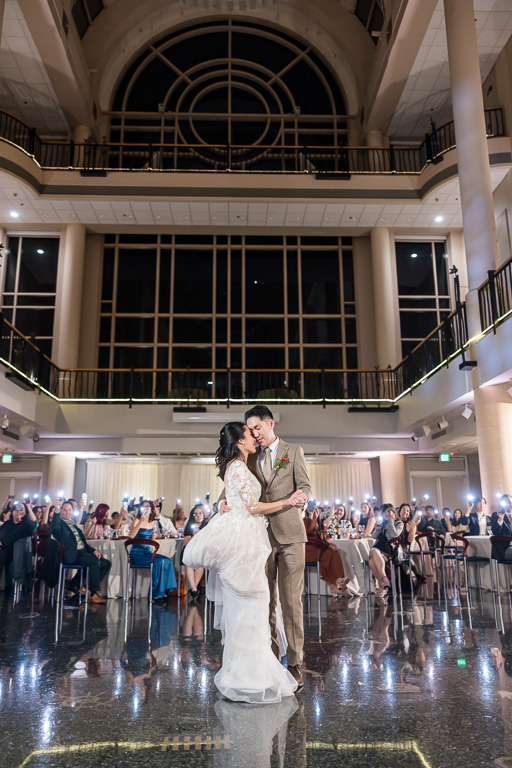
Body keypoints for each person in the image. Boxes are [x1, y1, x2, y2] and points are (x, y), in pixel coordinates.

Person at [184, 421, 305, 703]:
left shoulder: (246, 463)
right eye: (250, 433)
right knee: (254, 605)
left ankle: (251, 674)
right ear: (240, 441)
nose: (255, 437)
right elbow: (250, 506)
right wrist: (288, 502)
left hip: (255, 541)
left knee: (254, 607)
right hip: (244, 547)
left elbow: (238, 498)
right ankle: (250, 677)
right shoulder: (238, 467)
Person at [243, 405, 312, 690]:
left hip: (292, 535)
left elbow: (306, 485)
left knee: (290, 601)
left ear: (270, 424)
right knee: (265, 602)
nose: (254, 434)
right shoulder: (249, 457)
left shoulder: (293, 451)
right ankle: (273, 659)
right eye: (250, 430)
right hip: (261, 537)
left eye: (257, 428)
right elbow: (238, 487)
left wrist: (302, 497)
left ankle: (295, 663)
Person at [51, 499, 111, 603]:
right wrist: (56, 510)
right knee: (93, 562)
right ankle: (92, 593)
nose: (67, 512)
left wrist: (93, 551)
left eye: (69, 510)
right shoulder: (59, 524)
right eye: (64, 510)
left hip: (83, 552)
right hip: (71, 554)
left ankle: (82, 587)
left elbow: (84, 543)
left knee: (106, 563)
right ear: (61, 511)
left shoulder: (74, 526)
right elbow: (55, 528)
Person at [128, 499, 177, 603]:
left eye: (148, 506)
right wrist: (140, 522)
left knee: (167, 560)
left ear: (151, 509)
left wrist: (153, 538)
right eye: (143, 506)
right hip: (137, 553)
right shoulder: (137, 520)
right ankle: (156, 594)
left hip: (147, 552)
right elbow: (131, 536)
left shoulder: (152, 522)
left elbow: (148, 541)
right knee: (158, 562)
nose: (145, 509)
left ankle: (165, 591)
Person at [304, 506, 348, 596]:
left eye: (316, 510)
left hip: (317, 548)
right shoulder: (306, 520)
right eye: (313, 510)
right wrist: (311, 516)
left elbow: (322, 538)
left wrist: (328, 544)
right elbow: (309, 537)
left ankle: (335, 583)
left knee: (333, 551)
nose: (315, 512)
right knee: (329, 552)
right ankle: (337, 581)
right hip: (308, 549)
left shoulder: (318, 523)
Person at [368, 504, 404, 597]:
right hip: (380, 550)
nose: (389, 513)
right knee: (371, 562)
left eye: (391, 511)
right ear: (382, 513)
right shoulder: (382, 523)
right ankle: (383, 586)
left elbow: (393, 536)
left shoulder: (398, 523)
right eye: (386, 511)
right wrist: (377, 529)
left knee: (374, 550)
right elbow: (374, 536)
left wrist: (391, 521)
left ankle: (383, 580)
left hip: (390, 550)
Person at [0, 501, 37, 581]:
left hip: (15, 551)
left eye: (21, 509)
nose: (18, 511)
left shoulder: (26, 524)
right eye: (16, 509)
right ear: (12, 512)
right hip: (2, 548)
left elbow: (32, 528)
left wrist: (24, 515)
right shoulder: (7, 524)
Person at [183, 505, 208, 600]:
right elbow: (186, 543)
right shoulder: (189, 527)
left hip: (201, 552)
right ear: (192, 516)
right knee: (188, 563)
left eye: (200, 513)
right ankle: (194, 589)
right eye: (196, 514)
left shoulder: (207, 526)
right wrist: (194, 536)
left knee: (200, 564)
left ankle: (193, 589)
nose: (198, 516)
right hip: (189, 551)